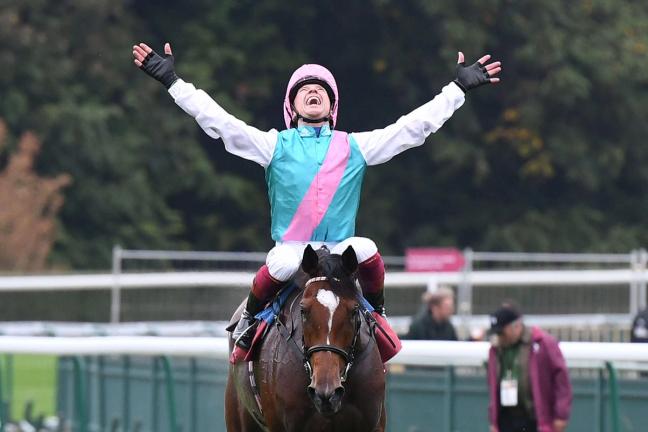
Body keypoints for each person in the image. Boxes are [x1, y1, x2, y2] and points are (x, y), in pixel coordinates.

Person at [132, 42, 502, 362]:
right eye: (305, 90)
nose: (313, 92)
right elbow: (219, 121)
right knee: (282, 263)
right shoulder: (273, 145)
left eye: (321, 90)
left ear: (332, 105)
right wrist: (174, 82)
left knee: (368, 248)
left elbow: (412, 128)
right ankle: (248, 320)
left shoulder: (354, 146)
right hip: (293, 249)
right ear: (291, 105)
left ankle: (377, 314)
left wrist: (457, 90)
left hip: (339, 249)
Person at [487, 302, 572, 432]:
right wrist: (494, 420)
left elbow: (561, 380)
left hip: (534, 419)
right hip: (506, 419)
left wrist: (561, 414)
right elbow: (493, 385)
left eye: (502, 332)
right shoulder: (496, 350)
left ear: (516, 326)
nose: (499, 337)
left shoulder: (543, 343)